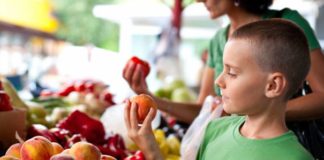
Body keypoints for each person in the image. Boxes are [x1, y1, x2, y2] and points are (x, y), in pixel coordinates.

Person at [123, 0, 324, 157]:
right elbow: (204, 109)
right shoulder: (214, 130)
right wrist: (151, 99)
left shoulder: (289, 24)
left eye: (232, 72)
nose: (198, 0)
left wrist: (263, 111)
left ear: (273, 85)